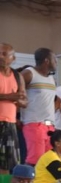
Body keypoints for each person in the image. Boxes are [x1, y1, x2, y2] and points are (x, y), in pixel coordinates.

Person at [21, 48, 57, 166]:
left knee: (49, 161)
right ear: (47, 61)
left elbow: (55, 99)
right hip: (34, 123)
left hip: (49, 125)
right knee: (35, 160)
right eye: (54, 59)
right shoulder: (29, 73)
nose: (56, 62)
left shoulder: (51, 78)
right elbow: (16, 93)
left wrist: (50, 113)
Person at [0, 43, 27, 174]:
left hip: (10, 124)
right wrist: (8, 96)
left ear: (13, 58)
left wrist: (17, 99)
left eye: (5, 54)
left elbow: (25, 102)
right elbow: (12, 96)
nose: (1, 56)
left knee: (7, 163)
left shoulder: (17, 76)